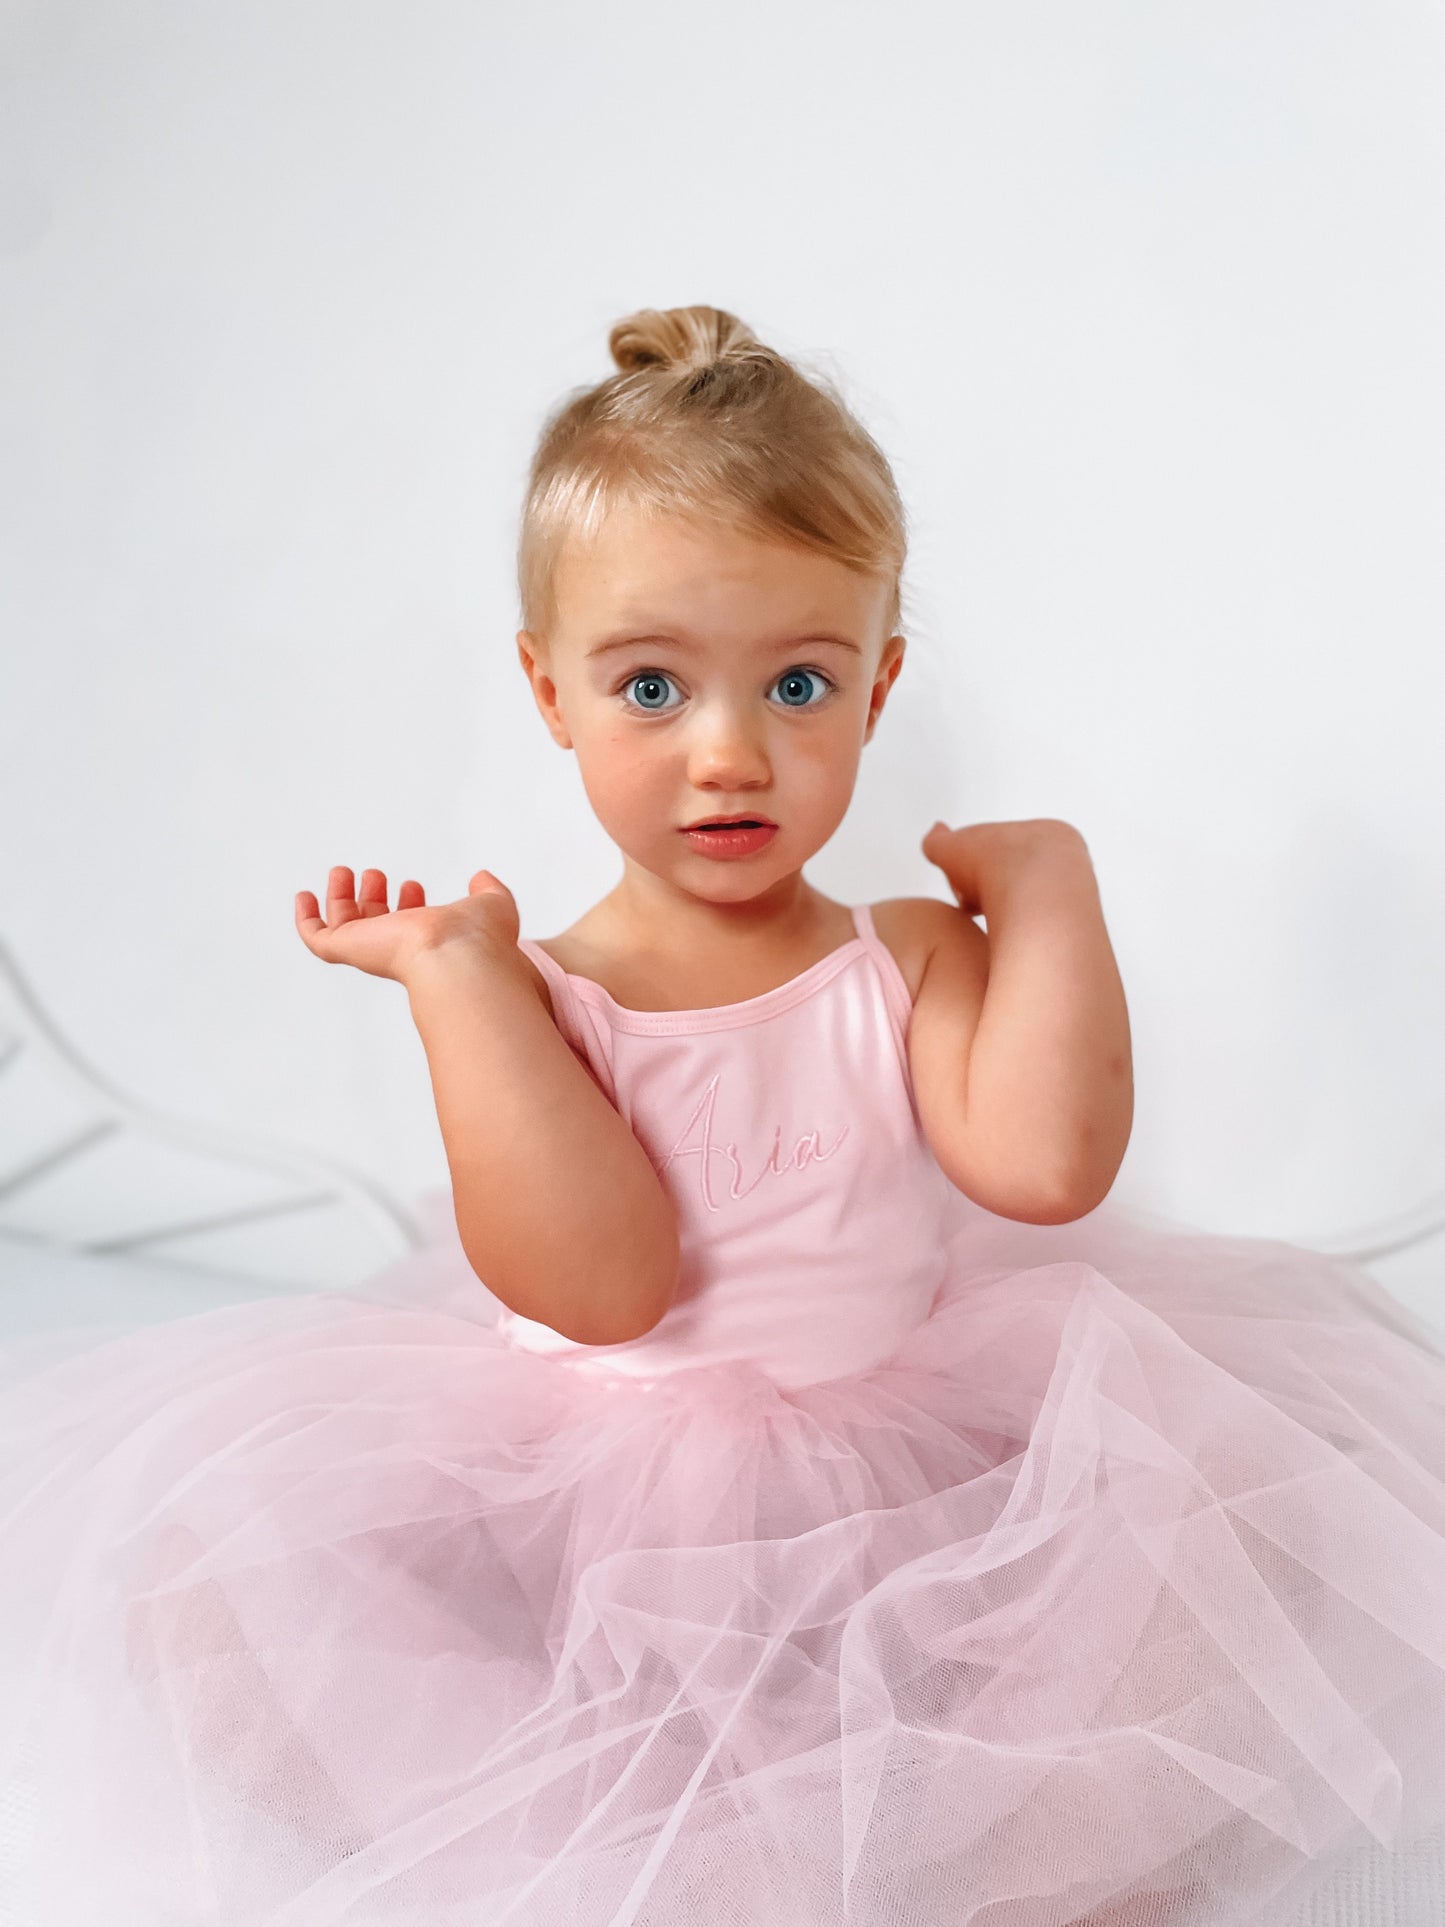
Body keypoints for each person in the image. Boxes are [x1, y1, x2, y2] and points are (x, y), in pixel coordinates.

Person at [2, 305, 1443, 1927]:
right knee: (244, 1635)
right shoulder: (543, 996)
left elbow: (1040, 1169)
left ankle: (987, 1884)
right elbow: (598, 1287)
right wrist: (458, 985)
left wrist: (1047, 900)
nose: (728, 752)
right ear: (549, 693)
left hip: (912, 1474)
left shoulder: (899, 952)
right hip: (593, 1501)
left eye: (800, 681)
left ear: (880, 688)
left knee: (1153, 1642)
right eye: (649, 688)